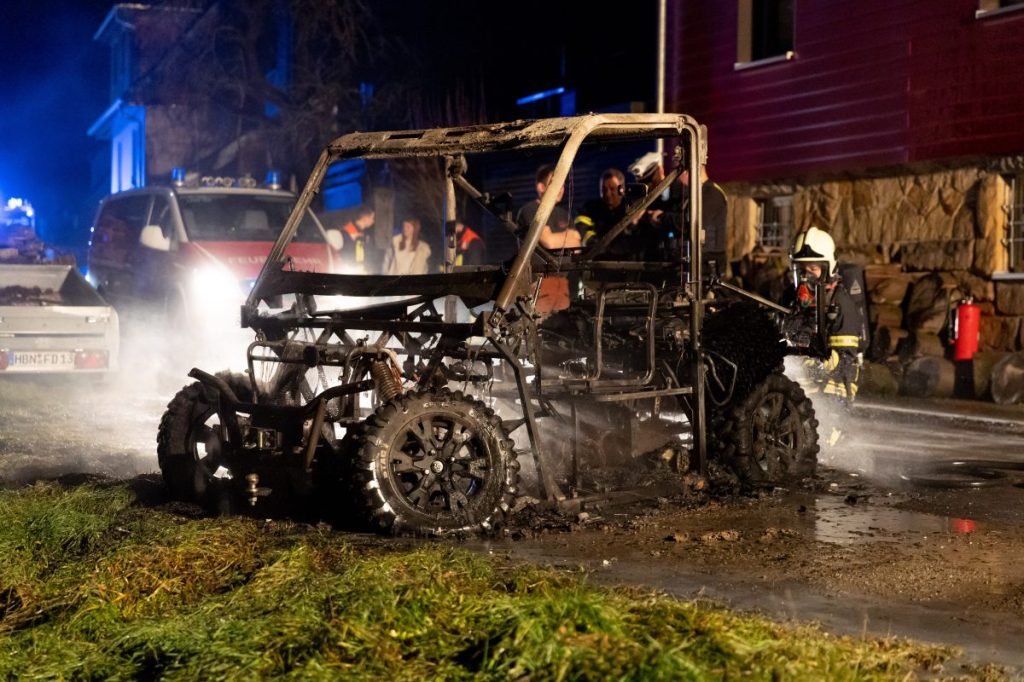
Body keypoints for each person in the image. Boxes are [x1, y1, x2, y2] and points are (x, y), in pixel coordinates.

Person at [784, 226, 865, 405]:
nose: (806, 276)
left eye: (813, 268)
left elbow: (845, 361)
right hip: (797, 387)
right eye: (801, 269)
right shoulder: (791, 298)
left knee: (823, 429)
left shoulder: (841, 305)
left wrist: (815, 362)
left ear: (828, 268)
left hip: (833, 390)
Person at [515, 164, 581, 313]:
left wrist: (561, 238)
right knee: (541, 331)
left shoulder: (564, 214)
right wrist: (568, 237)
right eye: (555, 183)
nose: (561, 188)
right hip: (538, 285)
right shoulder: (530, 210)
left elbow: (577, 243)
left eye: (562, 183)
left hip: (563, 285)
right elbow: (549, 242)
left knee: (563, 333)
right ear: (541, 187)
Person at [340, 204, 377, 273]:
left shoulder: (363, 234)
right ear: (365, 218)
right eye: (372, 218)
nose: (373, 221)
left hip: (360, 270)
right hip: (349, 270)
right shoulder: (346, 232)